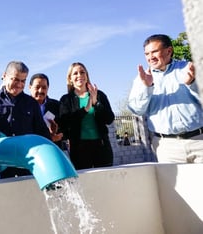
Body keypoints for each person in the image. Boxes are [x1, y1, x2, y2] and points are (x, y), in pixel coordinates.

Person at [128, 34, 203, 163]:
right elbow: (136, 110)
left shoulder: (188, 69)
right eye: (147, 54)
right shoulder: (141, 80)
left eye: (154, 52)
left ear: (169, 51)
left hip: (199, 141)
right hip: (167, 147)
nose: (150, 57)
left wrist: (192, 82)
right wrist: (147, 87)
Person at [58, 62, 115, 170]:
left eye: (82, 72)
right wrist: (85, 110)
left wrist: (96, 103)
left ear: (87, 75)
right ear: (70, 78)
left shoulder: (99, 95)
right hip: (79, 149)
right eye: (75, 73)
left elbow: (109, 119)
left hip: (101, 146)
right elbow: (65, 123)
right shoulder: (66, 100)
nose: (79, 75)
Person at [28, 73, 65, 150]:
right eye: (37, 87)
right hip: (30, 148)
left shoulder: (57, 106)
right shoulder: (23, 105)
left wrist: (55, 134)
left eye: (44, 87)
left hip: (52, 149)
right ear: (30, 87)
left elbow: (64, 128)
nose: (40, 90)